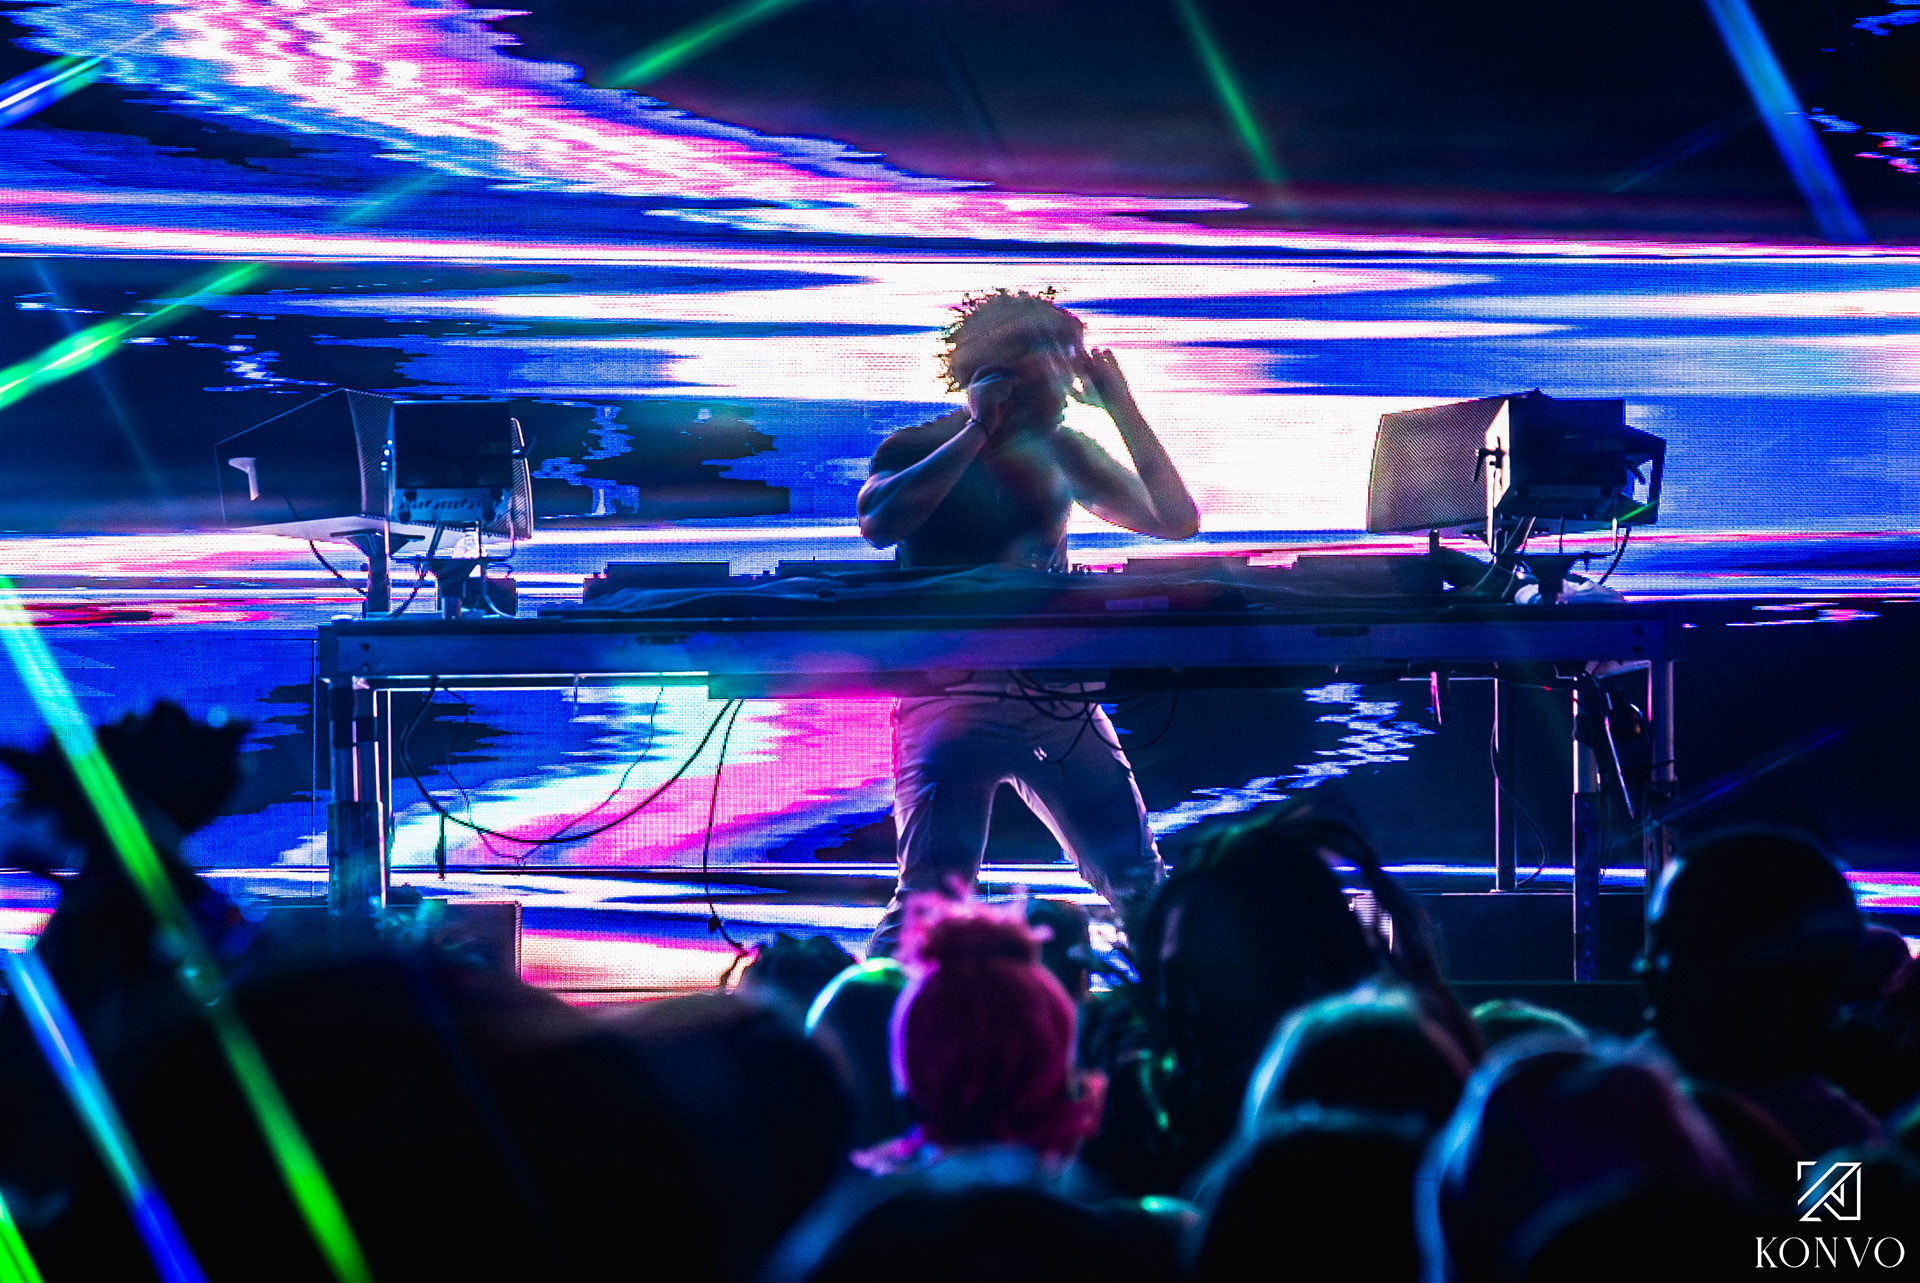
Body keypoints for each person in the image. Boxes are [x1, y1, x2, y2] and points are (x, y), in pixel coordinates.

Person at [857, 289, 1200, 953]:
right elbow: (880, 522)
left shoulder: (1063, 451)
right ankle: (881, 1012)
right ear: (1001, 370)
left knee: (1138, 881)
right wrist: (977, 431)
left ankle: (1173, 1001)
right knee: (930, 897)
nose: (1071, 381)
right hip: (951, 697)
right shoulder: (919, 446)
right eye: (1059, 362)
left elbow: (1176, 520)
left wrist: (1122, 407)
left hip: (1056, 697)